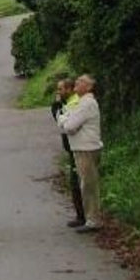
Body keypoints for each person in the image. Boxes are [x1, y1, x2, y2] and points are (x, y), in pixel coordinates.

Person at [58, 73, 103, 231]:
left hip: (87, 149)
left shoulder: (87, 104)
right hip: (82, 148)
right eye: (77, 80)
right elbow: (68, 121)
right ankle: (89, 218)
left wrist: (63, 120)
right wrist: (65, 120)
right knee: (85, 184)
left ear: (89, 87)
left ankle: (93, 220)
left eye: (81, 81)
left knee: (88, 185)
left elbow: (69, 126)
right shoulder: (82, 102)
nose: (77, 82)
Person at [50, 77, 86, 227]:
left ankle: (83, 217)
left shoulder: (73, 103)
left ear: (69, 89)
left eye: (61, 89)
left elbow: (64, 123)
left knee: (77, 183)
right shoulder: (67, 102)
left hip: (77, 147)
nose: (58, 92)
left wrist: (57, 108)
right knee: (75, 182)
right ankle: (81, 216)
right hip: (72, 147)